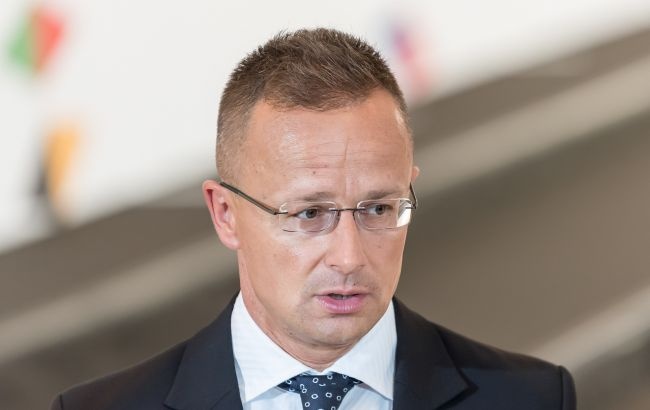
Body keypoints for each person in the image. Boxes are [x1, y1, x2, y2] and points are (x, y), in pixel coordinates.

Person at [51, 28, 576, 410]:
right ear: (226, 214)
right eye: (309, 214)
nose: (349, 257)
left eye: (378, 208)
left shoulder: (529, 399)